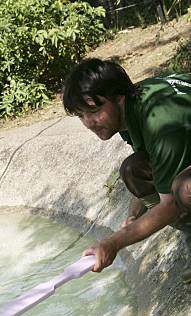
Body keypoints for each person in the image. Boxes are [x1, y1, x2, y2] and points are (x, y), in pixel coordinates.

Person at [62, 57, 191, 279]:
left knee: (186, 189)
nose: (89, 123)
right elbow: (156, 165)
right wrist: (133, 218)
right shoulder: (132, 105)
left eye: (93, 111)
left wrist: (114, 243)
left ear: (118, 98)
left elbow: (169, 205)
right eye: (81, 115)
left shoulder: (160, 121)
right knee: (134, 169)